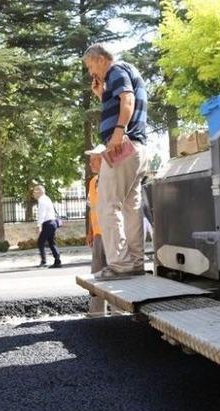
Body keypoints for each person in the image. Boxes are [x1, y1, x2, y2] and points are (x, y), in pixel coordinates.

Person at [83, 43, 149, 280]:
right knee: (131, 206)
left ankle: (120, 264)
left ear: (101, 59)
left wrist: (118, 132)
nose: (92, 73)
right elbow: (123, 100)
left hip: (123, 145)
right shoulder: (127, 70)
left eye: (91, 66)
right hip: (137, 148)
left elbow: (127, 100)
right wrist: (102, 95)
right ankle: (136, 261)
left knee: (107, 205)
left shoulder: (115, 71)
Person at [85, 145, 108, 315]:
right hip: (99, 235)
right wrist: (91, 232)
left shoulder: (112, 179)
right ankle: (96, 314)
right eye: (91, 160)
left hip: (112, 235)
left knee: (115, 277)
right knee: (98, 275)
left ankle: (118, 314)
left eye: (94, 160)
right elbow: (91, 208)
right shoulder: (93, 182)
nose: (90, 164)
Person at [33, 185, 61, 269]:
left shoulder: (41, 200)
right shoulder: (47, 198)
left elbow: (42, 214)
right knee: (51, 242)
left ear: (39, 192)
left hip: (48, 223)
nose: (33, 194)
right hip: (52, 223)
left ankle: (44, 261)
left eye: (34, 192)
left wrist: (39, 226)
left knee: (40, 242)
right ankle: (57, 261)